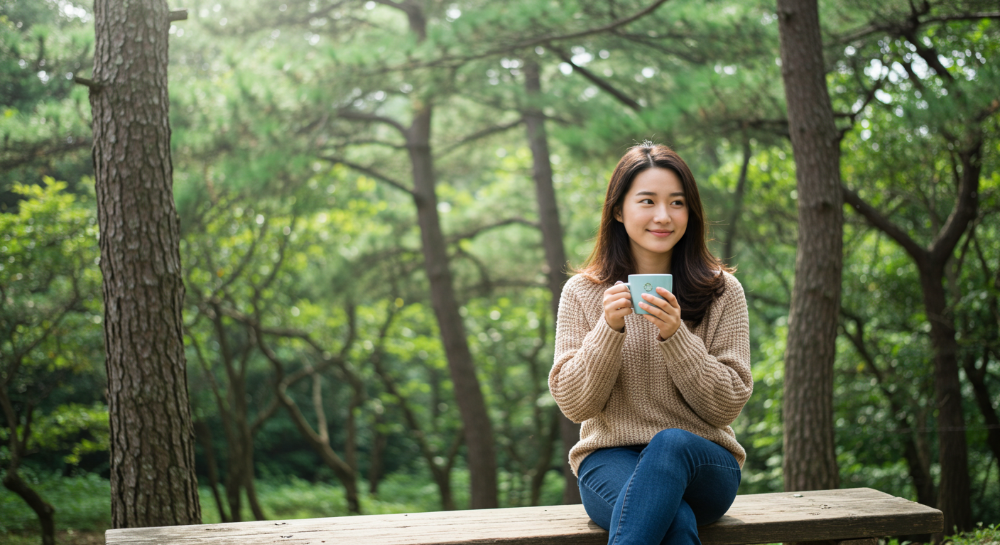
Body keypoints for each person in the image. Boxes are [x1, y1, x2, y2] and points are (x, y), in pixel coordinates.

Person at [549, 142, 752, 545]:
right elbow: (575, 405)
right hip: (610, 460)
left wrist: (676, 336)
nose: (663, 216)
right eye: (647, 201)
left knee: (671, 442)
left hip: (703, 462)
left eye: (677, 203)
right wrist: (608, 330)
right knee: (674, 523)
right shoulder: (582, 293)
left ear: (690, 213)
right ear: (619, 210)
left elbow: (728, 403)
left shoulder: (723, 292)